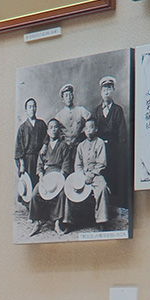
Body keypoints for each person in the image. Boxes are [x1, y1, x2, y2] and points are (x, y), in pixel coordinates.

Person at [28, 118, 74, 236]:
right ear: (48, 131)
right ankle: (37, 222)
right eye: (51, 127)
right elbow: (39, 165)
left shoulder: (63, 146)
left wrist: (61, 177)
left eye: (55, 127)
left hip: (59, 175)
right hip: (47, 176)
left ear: (59, 130)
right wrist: (41, 175)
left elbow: (66, 164)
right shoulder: (44, 148)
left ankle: (57, 223)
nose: (53, 129)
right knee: (35, 194)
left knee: (61, 194)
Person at [64, 116, 109, 231]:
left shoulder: (100, 143)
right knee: (70, 188)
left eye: (91, 127)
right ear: (84, 130)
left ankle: (101, 220)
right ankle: (69, 221)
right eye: (87, 128)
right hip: (83, 175)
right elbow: (78, 164)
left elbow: (102, 163)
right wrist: (81, 176)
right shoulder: (81, 145)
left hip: (96, 175)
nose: (89, 130)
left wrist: (92, 174)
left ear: (96, 129)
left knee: (102, 188)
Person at [92, 75, 128, 211]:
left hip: (114, 148)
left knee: (115, 174)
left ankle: (116, 205)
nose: (106, 92)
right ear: (101, 92)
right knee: (102, 175)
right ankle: (103, 206)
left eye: (109, 89)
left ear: (113, 90)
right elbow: (92, 131)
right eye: (104, 90)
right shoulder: (96, 111)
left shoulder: (118, 110)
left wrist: (120, 152)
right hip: (100, 149)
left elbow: (122, 134)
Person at [14, 98, 47, 195]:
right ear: (26, 110)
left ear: (36, 108)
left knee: (40, 184)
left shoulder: (41, 124)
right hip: (27, 160)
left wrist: (44, 146)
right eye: (30, 107)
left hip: (40, 158)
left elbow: (47, 138)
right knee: (28, 186)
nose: (32, 109)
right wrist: (22, 164)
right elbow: (19, 148)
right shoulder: (22, 128)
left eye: (34, 106)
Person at [55, 83, 90, 148]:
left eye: (70, 95)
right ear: (63, 99)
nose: (68, 97)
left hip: (80, 144)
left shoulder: (81, 110)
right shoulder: (59, 116)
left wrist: (83, 133)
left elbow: (91, 121)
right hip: (65, 146)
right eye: (66, 95)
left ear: (73, 96)